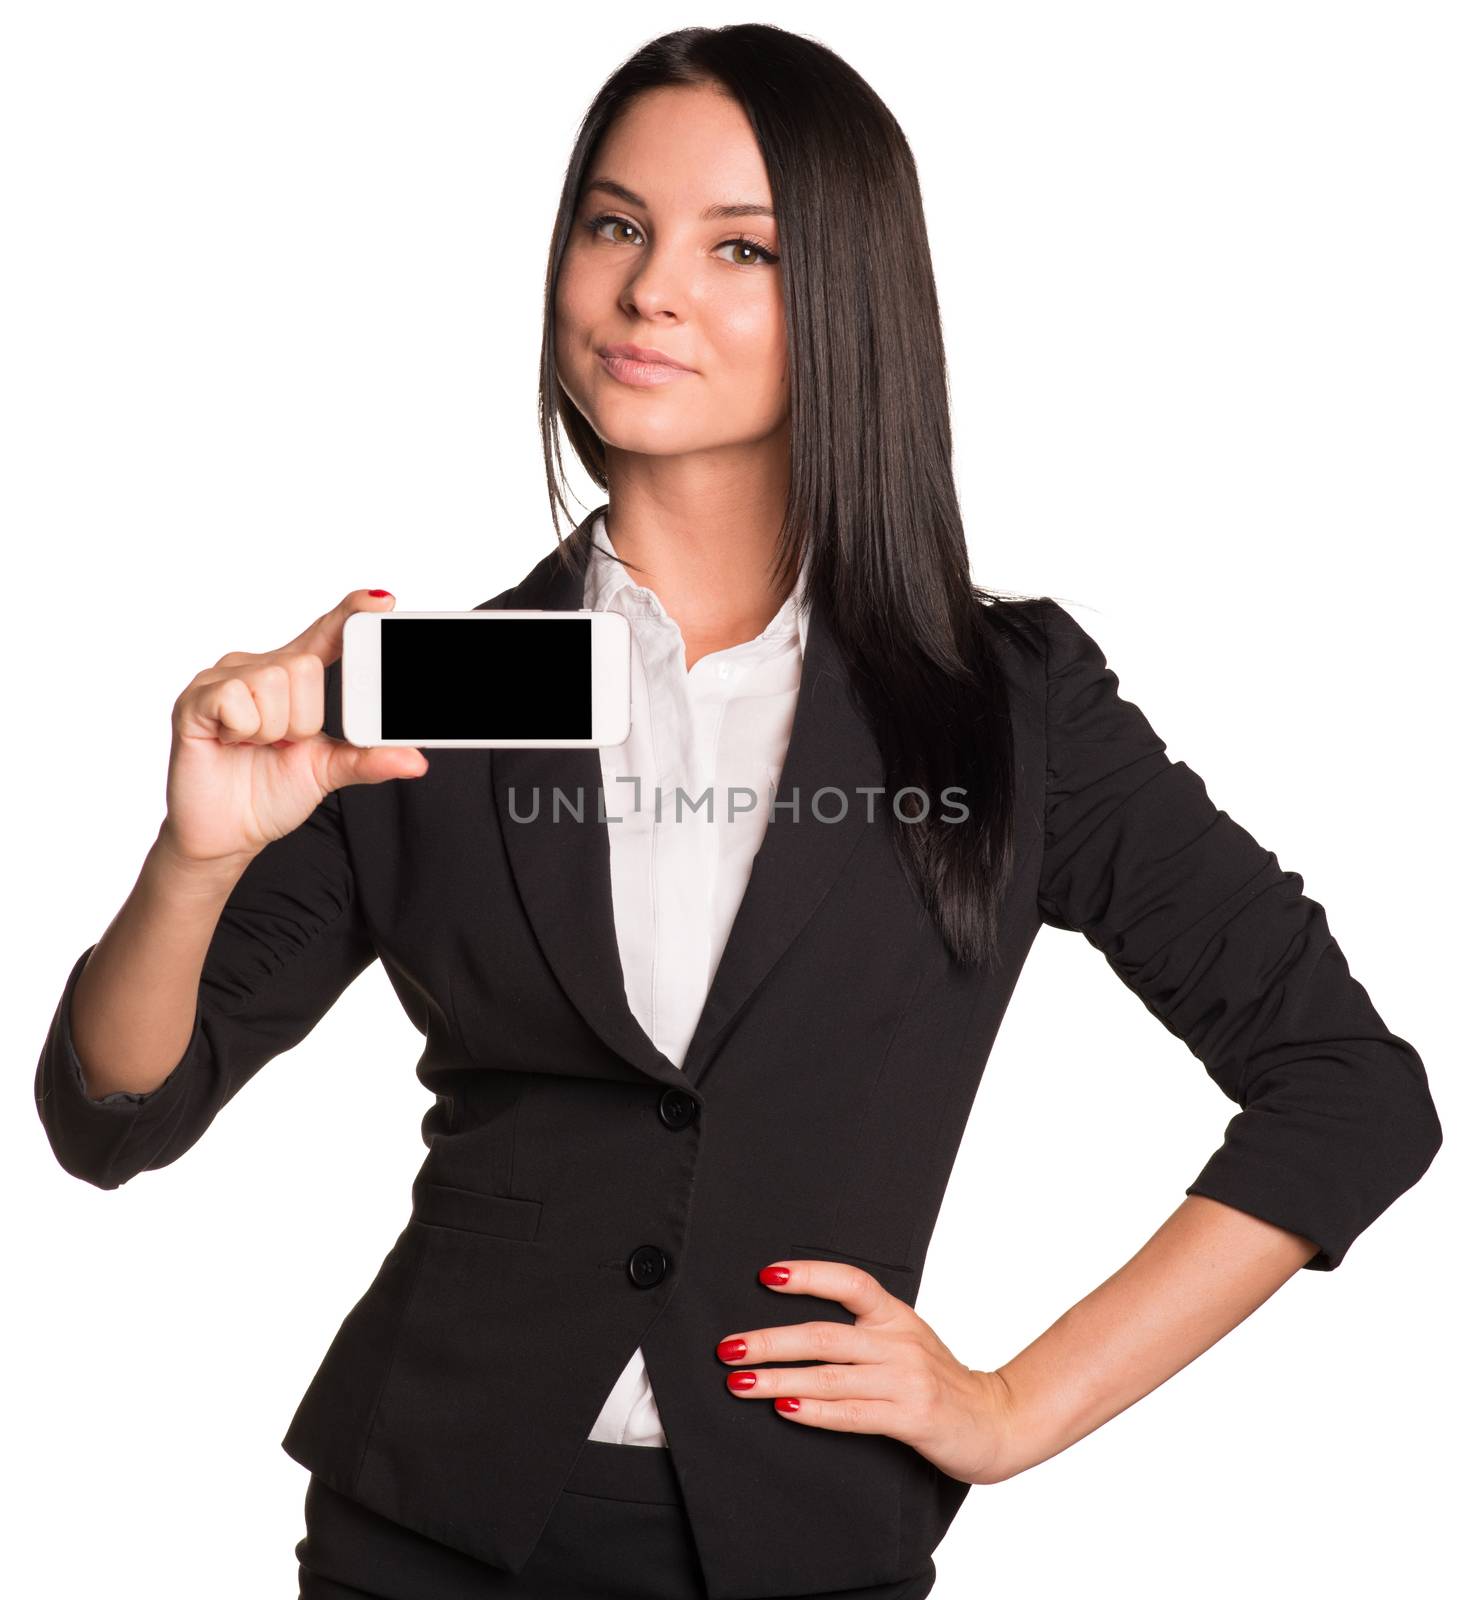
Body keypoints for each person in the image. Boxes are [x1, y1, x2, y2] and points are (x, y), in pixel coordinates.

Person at [34, 24, 1442, 1600]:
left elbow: (1348, 1095)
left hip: (802, 1545)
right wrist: (193, 861)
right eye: (615, 224)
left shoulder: (996, 701)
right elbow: (113, 1116)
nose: (651, 289)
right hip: (422, 1531)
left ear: (845, 301)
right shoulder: (441, 681)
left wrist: (1012, 1410)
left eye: (741, 247)